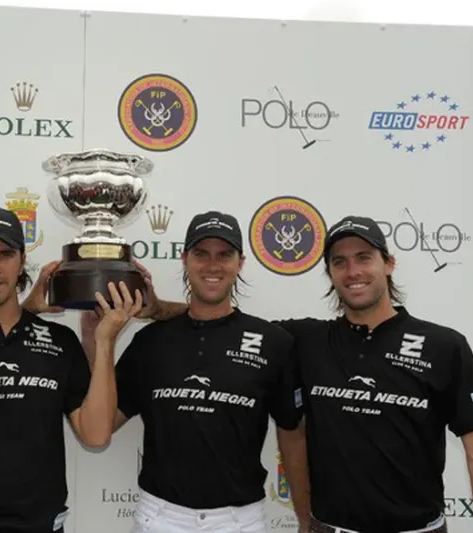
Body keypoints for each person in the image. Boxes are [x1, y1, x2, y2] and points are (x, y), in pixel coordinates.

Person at [141, 215, 473, 532]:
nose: (353, 271)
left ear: (388, 263)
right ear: (330, 272)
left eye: (364, 258)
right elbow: (222, 323)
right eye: (339, 262)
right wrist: (156, 308)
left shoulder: (445, 346)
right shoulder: (304, 340)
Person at [0, 206, 144, 533]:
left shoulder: (59, 341)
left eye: (5, 254)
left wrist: (103, 342)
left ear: (21, 262)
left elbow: (96, 433)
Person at [75, 211, 310, 533]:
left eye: (224, 255)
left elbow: (292, 434)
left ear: (240, 262)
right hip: (159, 518)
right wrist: (94, 341)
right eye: (201, 254)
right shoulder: (151, 340)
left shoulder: (273, 343)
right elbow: (102, 424)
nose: (212, 265)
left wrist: (305, 518)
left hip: (239, 521)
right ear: (184, 258)